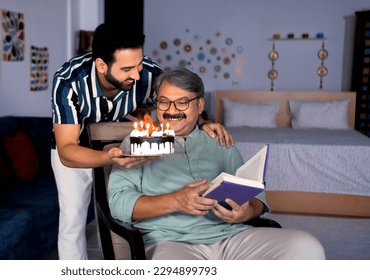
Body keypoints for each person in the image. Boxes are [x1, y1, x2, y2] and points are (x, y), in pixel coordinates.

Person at [51, 24, 234, 260]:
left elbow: (178, 103)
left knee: (118, 213)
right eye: (127, 68)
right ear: (101, 65)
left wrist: (201, 122)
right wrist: (108, 156)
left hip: (126, 143)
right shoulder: (68, 81)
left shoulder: (148, 73)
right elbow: (67, 151)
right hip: (77, 149)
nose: (137, 75)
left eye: (138, 65)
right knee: (72, 221)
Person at [108, 67, 326, 260]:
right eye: (164, 101)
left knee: (307, 247)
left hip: (231, 236)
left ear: (199, 105)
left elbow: (257, 197)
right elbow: (117, 203)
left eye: (182, 102)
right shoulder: (140, 143)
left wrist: (247, 212)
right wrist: (175, 201)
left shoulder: (220, 141)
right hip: (171, 242)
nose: (171, 110)